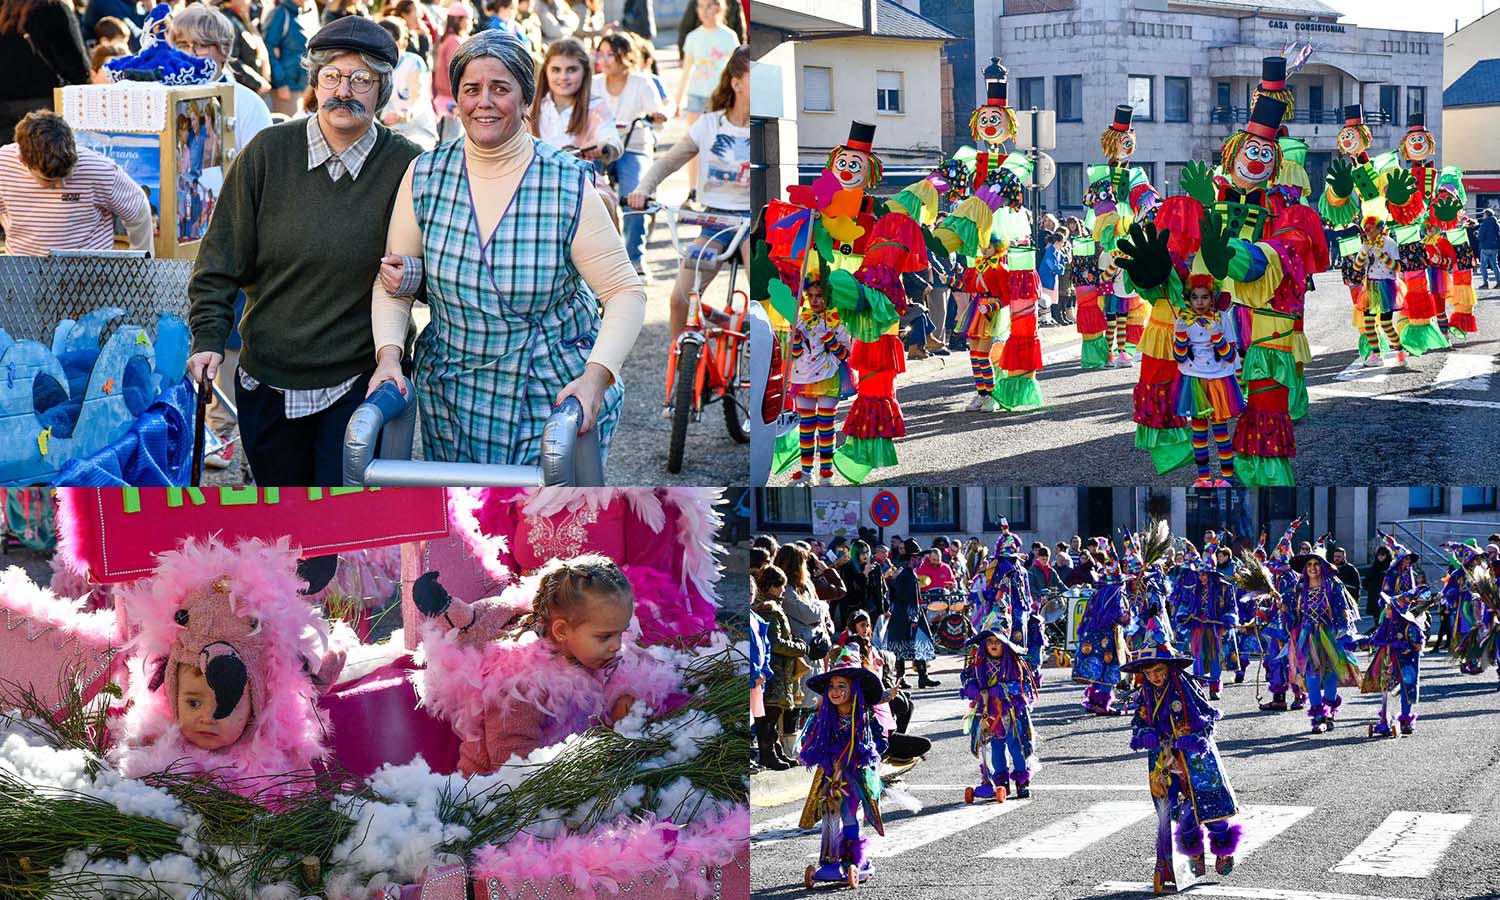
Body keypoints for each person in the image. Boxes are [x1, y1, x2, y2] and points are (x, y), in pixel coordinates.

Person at [369, 32, 644, 468]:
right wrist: (389, 358)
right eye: (471, 89)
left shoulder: (565, 182)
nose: (484, 102)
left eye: (501, 88)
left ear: (527, 99)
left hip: (550, 391)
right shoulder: (425, 175)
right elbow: (394, 282)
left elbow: (625, 293)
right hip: (452, 397)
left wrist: (595, 381)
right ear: (455, 100)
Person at [187, 17, 423, 485]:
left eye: (362, 79)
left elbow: (437, 267)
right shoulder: (268, 152)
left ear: (382, 89)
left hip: (358, 380)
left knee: (343, 523)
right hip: (268, 376)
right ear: (314, 81)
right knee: (279, 525)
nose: (344, 91)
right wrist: (209, 338)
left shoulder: (407, 164)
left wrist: (415, 276)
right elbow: (218, 259)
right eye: (332, 76)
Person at [111, 538, 346, 798]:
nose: (208, 718)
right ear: (173, 698)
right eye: (193, 703)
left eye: (228, 706)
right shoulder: (154, 756)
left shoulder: (276, 770)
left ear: (256, 708)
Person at [412, 554, 678, 775]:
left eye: (621, 633)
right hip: (503, 794)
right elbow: (512, 762)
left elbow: (637, 679)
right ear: (562, 630)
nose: (616, 645)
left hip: (576, 775)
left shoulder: (595, 655)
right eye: (605, 636)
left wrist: (628, 704)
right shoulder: (521, 685)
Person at [627, 46, 749, 341]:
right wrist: (643, 189)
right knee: (679, 298)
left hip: (753, 221)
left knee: (764, 300)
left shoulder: (765, 128)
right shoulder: (709, 125)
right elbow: (669, 161)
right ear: (736, 83)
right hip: (716, 222)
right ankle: (681, 362)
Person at [1125, 643, 1243, 892]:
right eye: (1148, 673)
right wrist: (1144, 733)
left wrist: (1197, 737)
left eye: (1158, 670)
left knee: (1211, 808)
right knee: (1178, 809)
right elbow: (1140, 720)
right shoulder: (1146, 693)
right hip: (1166, 758)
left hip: (1194, 757)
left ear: (1168, 667)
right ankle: (1193, 852)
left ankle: (1223, 847)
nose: (1154, 677)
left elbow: (1208, 716)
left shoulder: (1186, 687)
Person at [0, 110, 152, 256]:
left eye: (67, 175)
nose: (61, 186)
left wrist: (141, 266)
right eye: (49, 180)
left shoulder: (100, 169)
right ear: (24, 161)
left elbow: (138, 209)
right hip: (25, 271)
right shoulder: (4, 165)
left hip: (90, 272)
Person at [797, 644, 886, 889]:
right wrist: (820, 754)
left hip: (855, 775)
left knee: (848, 814)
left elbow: (881, 742)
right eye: (832, 687)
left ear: (853, 689)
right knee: (828, 814)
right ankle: (828, 859)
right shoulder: (825, 716)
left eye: (842, 686)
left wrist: (864, 756)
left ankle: (853, 860)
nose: (835, 692)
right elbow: (811, 740)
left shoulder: (865, 717)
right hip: (831, 774)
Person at [594, 32, 665, 275]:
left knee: (635, 194)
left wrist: (656, 116)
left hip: (633, 145)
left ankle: (635, 257)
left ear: (625, 56)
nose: (603, 59)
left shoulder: (642, 82)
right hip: (599, 147)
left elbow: (657, 114)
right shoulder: (593, 83)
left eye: (609, 54)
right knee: (584, 192)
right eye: (600, 53)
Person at [961, 610, 1039, 803]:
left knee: (1016, 746)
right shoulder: (979, 663)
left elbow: (1025, 685)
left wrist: (1001, 689)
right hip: (988, 712)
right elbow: (967, 677)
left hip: (1011, 711)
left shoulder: (1015, 663)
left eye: (997, 641)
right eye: (989, 642)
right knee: (995, 748)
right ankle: (1001, 781)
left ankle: (1022, 780)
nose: (993, 645)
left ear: (1005, 644)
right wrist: (971, 686)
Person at [173, 3, 272, 148]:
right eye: (182, 45)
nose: (190, 54)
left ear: (224, 50)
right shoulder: (164, 98)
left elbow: (261, 166)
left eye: (201, 45)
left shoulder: (249, 104)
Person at [787, 267, 852, 484]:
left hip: (828, 376)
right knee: (806, 427)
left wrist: (830, 340)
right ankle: (807, 472)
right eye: (811, 296)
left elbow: (845, 354)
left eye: (819, 296)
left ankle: (826, 472)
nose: (815, 300)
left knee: (826, 425)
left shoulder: (838, 321)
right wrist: (796, 339)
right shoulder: (799, 319)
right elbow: (794, 354)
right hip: (802, 377)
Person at [1288, 547, 1360, 734]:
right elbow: (1290, 613)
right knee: (1312, 676)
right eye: (1309, 565)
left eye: (1316, 564)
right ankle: (1318, 717)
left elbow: (1343, 611)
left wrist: (1343, 632)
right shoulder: (1298, 588)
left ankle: (1329, 713)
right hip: (1307, 636)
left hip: (1330, 636)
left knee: (1329, 676)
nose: (1312, 568)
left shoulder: (1334, 586)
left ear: (1323, 567)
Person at [673, 0, 737, 202]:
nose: (703, 11)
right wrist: (677, 100)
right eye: (699, 7)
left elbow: (735, 72)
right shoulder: (693, 37)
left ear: (718, 7)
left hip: (721, 98)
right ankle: (693, 190)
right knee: (694, 144)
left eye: (707, 6)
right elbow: (686, 71)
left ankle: (719, 189)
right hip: (696, 96)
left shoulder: (728, 36)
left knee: (720, 145)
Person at [0, 0, 90, 145]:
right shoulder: (53, 9)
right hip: (46, 111)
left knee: (6, 165)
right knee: (45, 164)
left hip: (4, 109)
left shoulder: (5, 11)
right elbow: (79, 68)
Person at [752, 564, 805, 770]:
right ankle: (768, 754)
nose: (783, 590)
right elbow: (776, 643)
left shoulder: (770, 607)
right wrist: (801, 647)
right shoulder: (770, 611)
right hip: (775, 670)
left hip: (776, 670)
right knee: (769, 716)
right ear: (772, 587)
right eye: (781, 586)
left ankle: (774, 750)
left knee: (771, 715)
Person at [1355, 585, 1426, 737]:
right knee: (1386, 687)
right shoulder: (1387, 625)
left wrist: (1402, 646)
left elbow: (1418, 645)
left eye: (1389, 607)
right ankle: (1384, 719)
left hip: (1407, 663)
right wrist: (1360, 642)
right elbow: (1377, 638)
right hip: (1390, 661)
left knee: (1408, 689)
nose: (1386, 610)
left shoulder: (1410, 627)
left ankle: (1406, 720)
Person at [375, 16, 436, 149]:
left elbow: (420, 100)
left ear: (403, 42)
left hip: (419, 130)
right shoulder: (375, 66)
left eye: (390, 42)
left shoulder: (413, 63)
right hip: (390, 132)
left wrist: (404, 115)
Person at [886, 539, 940, 689]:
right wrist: (913, 617)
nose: (920, 560)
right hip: (906, 614)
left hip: (904, 613)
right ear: (911, 559)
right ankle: (901, 679)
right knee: (903, 645)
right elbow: (910, 598)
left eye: (920, 558)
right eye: (917, 558)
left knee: (916, 644)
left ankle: (922, 677)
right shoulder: (908, 575)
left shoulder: (907, 574)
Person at [263, 0, 318, 117]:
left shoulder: (310, 12)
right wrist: (281, 83)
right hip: (287, 89)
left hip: (307, 86)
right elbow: (268, 48)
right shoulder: (280, 13)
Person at [431, 2, 471, 142]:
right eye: (468, 18)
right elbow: (456, 72)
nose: (471, 22)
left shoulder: (449, 39)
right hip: (451, 101)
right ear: (458, 20)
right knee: (450, 143)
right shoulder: (454, 41)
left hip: (446, 99)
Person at [217, 0, 272, 96]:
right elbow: (231, 60)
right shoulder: (228, 20)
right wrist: (257, 83)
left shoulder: (243, 18)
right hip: (243, 90)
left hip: (253, 88)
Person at [1477, 208, 1500, 289]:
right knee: (1495, 265)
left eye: (1483, 214)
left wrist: (1477, 235)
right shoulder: (1496, 223)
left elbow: (1481, 237)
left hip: (1485, 247)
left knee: (1483, 266)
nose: (1483, 216)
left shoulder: (1485, 224)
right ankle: (1499, 282)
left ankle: (1486, 283)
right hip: (1495, 247)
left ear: (1486, 215)